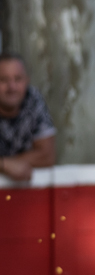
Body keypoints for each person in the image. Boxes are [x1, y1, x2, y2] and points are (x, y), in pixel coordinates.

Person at [0, 53, 56, 182]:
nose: (12, 87)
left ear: (27, 80)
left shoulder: (33, 99)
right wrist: (4, 165)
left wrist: (9, 164)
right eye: (3, 80)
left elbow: (47, 156)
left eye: (18, 79)